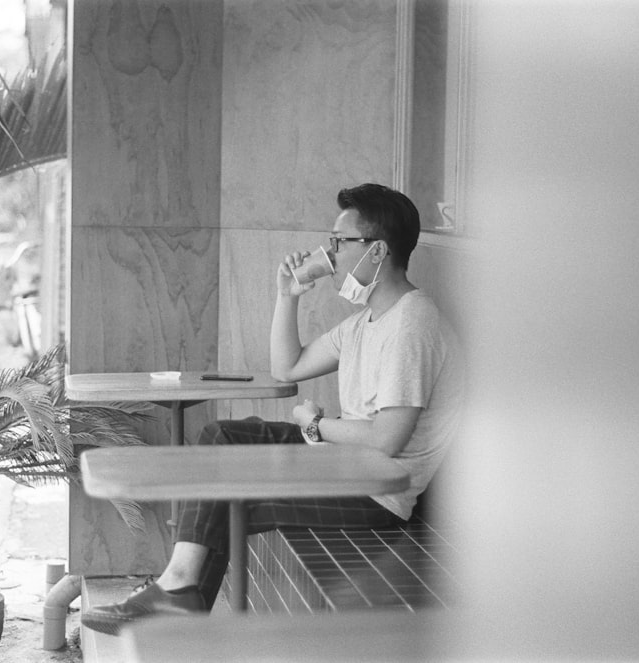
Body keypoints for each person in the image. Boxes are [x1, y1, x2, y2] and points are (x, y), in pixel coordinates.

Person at [81, 183, 466, 634]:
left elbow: (387, 439)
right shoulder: (367, 321)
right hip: (344, 464)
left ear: (377, 250)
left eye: (340, 243)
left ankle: (177, 597)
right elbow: (287, 367)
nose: (330, 254)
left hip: (377, 495)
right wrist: (288, 295)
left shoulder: (412, 323)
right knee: (220, 439)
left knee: (229, 490)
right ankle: (178, 591)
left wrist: (318, 425)